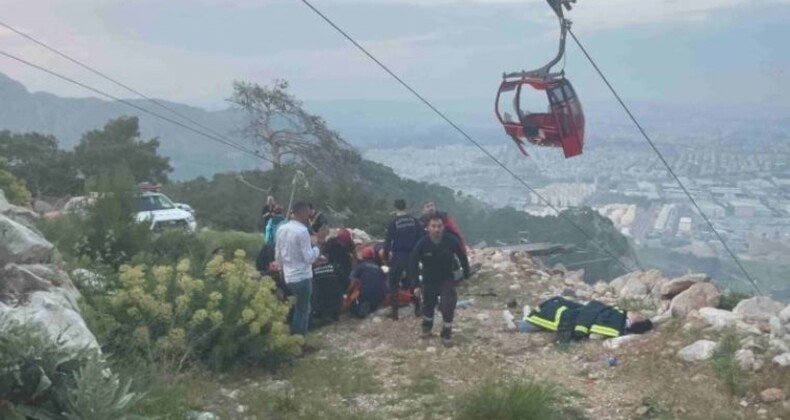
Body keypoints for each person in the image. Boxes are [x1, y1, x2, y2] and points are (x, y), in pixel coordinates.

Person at [409, 214, 470, 347]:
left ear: (443, 227)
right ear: (428, 228)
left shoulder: (451, 241)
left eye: (440, 226)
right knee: (428, 305)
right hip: (429, 280)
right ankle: (427, 328)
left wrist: (466, 275)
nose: (437, 229)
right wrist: (415, 285)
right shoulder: (422, 244)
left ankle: (447, 333)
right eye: (434, 226)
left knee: (448, 305)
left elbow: (462, 257)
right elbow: (413, 264)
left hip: (447, 279)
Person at [275, 201, 326, 337]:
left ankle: (295, 337)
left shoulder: (282, 229)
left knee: (297, 307)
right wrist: (319, 243)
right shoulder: (302, 231)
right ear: (303, 213)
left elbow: (278, 253)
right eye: (309, 213)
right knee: (303, 310)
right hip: (302, 276)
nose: (310, 216)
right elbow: (309, 258)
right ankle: (298, 341)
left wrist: (281, 270)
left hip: (287, 275)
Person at [510, 296, 654, 341]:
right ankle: (526, 318)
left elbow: (595, 331)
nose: (636, 312)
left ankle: (519, 324)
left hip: (576, 318)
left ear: (636, 321)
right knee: (559, 303)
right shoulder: (619, 317)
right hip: (583, 311)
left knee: (557, 314)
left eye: (640, 316)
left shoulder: (617, 322)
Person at [383, 199, 424, 320]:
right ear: (406, 207)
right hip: (413, 255)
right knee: (414, 281)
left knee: (394, 282)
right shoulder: (414, 220)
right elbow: (422, 237)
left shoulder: (393, 222)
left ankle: (394, 312)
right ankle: (417, 308)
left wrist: (386, 257)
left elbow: (387, 242)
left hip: (398, 256)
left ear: (395, 207)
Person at [347, 247, 388, 319]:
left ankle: (359, 308)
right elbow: (385, 283)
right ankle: (372, 307)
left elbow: (354, 281)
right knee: (373, 303)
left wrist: (348, 292)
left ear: (363, 256)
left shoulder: (360, 267)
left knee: (352, 308)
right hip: (379, 296)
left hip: (365, 295)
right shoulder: (379, 268)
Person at [311, 258, 344, 324]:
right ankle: (335, 314)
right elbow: (345, 280)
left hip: (320, 303)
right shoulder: (334, 267)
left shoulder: (313, 271)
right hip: (336, 301)